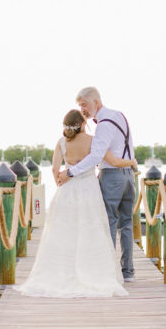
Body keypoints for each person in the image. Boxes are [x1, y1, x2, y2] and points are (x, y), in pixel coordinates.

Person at [16, 109, 137, 298]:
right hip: (89, 190)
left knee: (65, 231)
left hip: (67, 190)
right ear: (82, 124)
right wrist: (131, 162)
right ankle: (95, 271)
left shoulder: (61, 142)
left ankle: (63, 271)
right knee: (92, 229)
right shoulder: (92, 140)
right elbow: (112, 160)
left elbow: (56, 169)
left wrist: (60, 182)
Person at [57, 87, 138, 282]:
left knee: (109, 221)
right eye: (80, 106)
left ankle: (109, 273)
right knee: (126, 223)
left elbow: (96, 156)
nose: (82, 109)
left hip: (111, 176)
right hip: (129, 176)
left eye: (84, 104)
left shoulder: (103, 125)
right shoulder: (120, 116)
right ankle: (128, 272)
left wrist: (70, 172)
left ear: (96, 102)